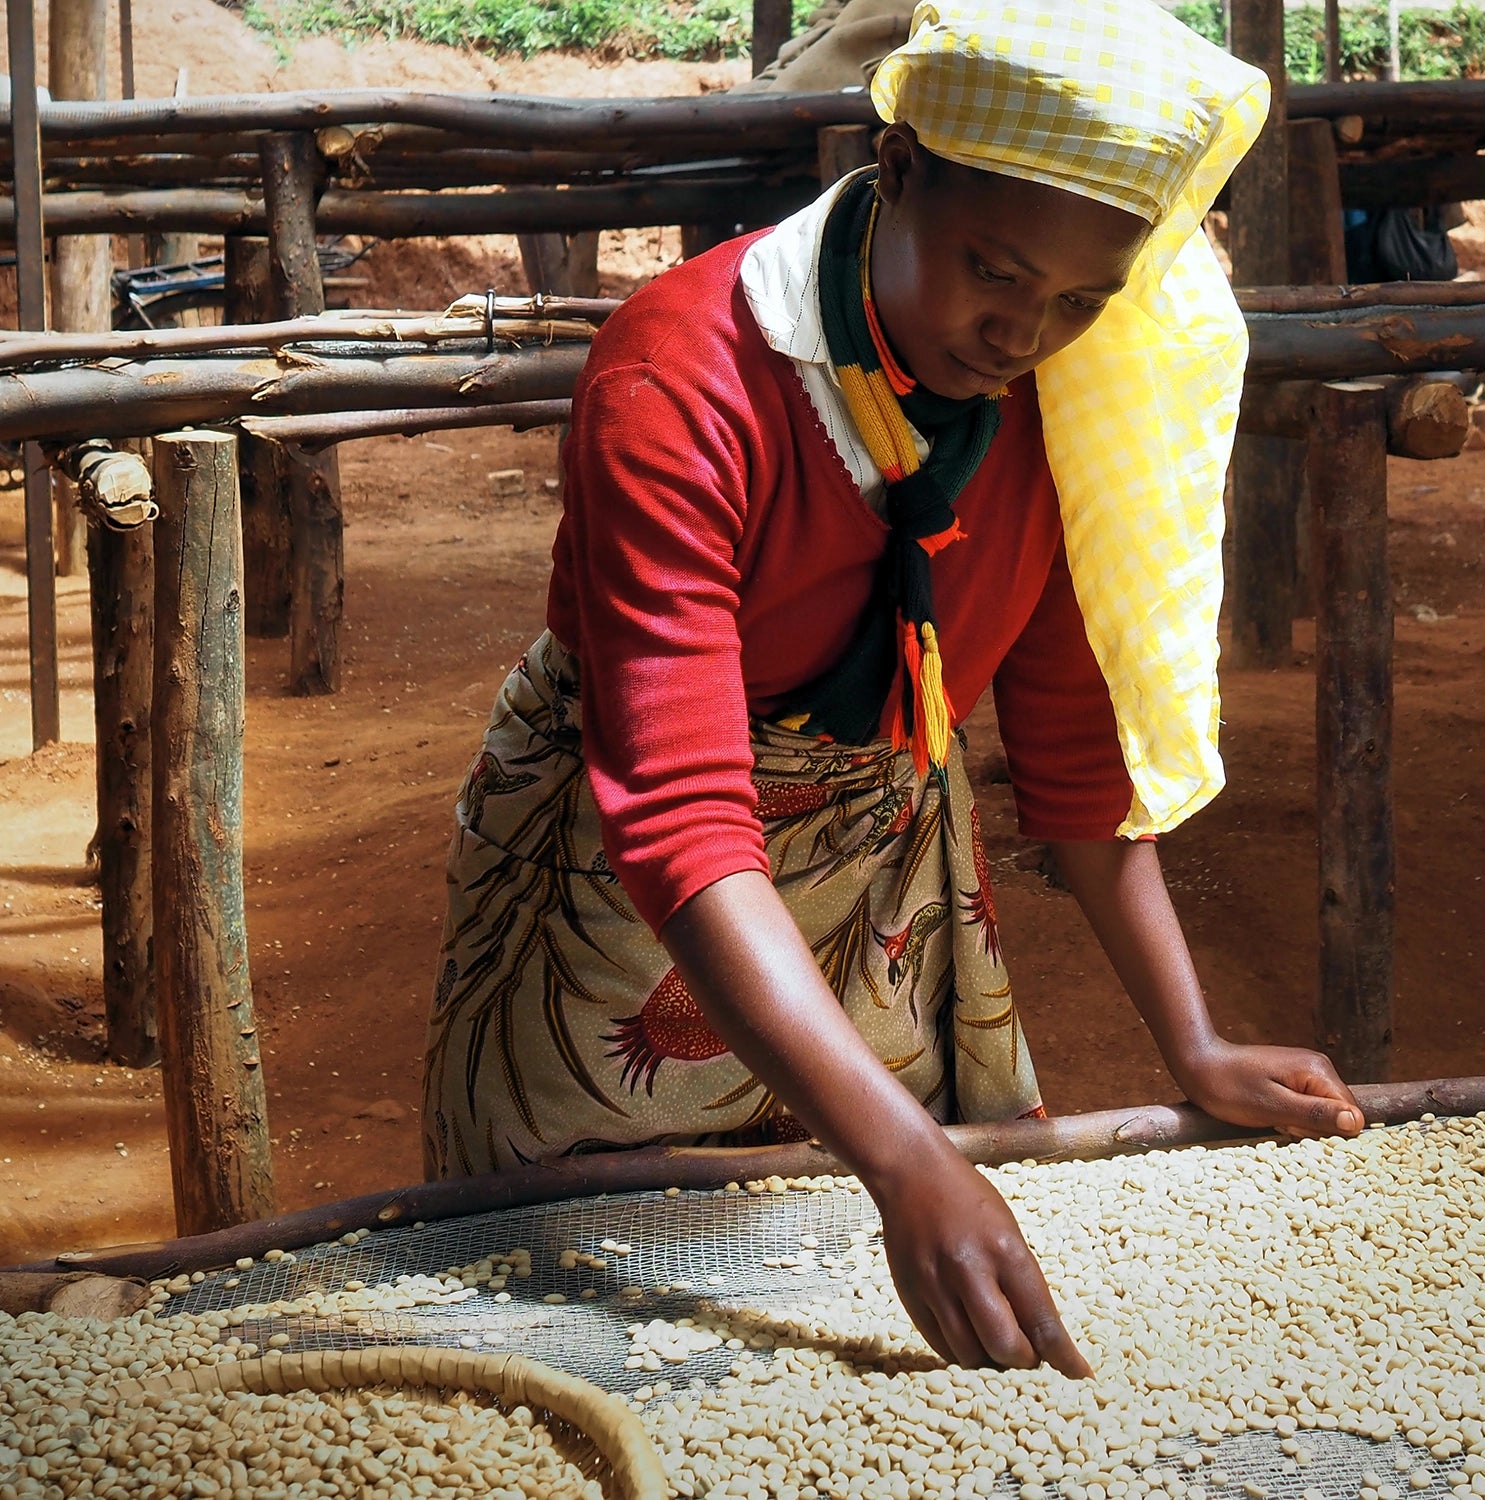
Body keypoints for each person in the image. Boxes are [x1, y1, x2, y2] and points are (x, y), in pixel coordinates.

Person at [422, 0, 1365, 1378]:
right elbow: (679, 815)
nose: (1023, 329)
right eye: (994, 270)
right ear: (900, 164)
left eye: (1080, 300)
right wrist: (906, 1159)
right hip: (633, 897)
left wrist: (1196, 1043)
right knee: (589, 1293)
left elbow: (1074, 758)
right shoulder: (686, 375)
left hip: (881, 882)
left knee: (862, 1317)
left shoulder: (1065, 397)